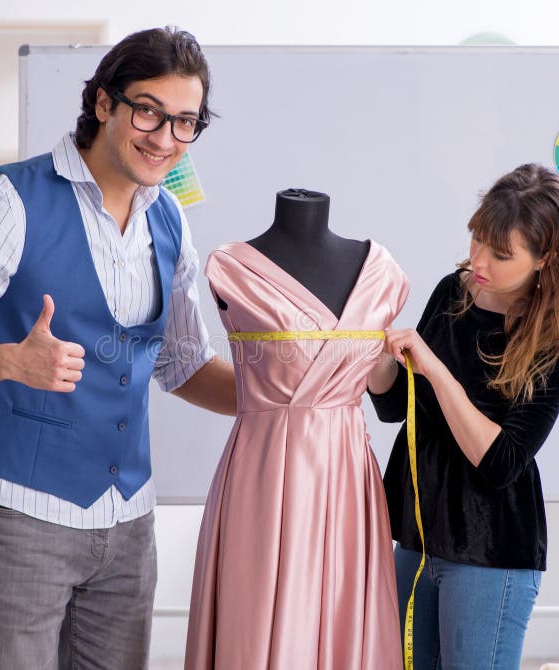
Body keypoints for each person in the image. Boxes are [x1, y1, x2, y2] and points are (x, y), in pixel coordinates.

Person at [0, 26, 236, 670]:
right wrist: (9, 360)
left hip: (128, 520)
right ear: (104, 103)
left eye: (185, 122)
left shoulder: (169, 217)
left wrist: (288, 398)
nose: (165, 139)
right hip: (16, 515)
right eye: (148, 111)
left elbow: (180, 364)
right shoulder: (8, 201)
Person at [367, 163, 559, 669]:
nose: (478, 262)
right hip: (417, 537)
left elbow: (499, 462)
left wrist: (435, 370)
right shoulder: (453, 292)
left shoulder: (556, 338)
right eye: (476, 240)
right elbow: (395, 408)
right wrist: (374, 349)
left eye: (500, 253)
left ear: (546, 258)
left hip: (490, 551)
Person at [185, 189, 408, 669]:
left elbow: (384, 381)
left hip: (347, 473)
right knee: (256, 614)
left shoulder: (381, 273)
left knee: (346, 614)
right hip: (262, 475)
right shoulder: (231, 268)